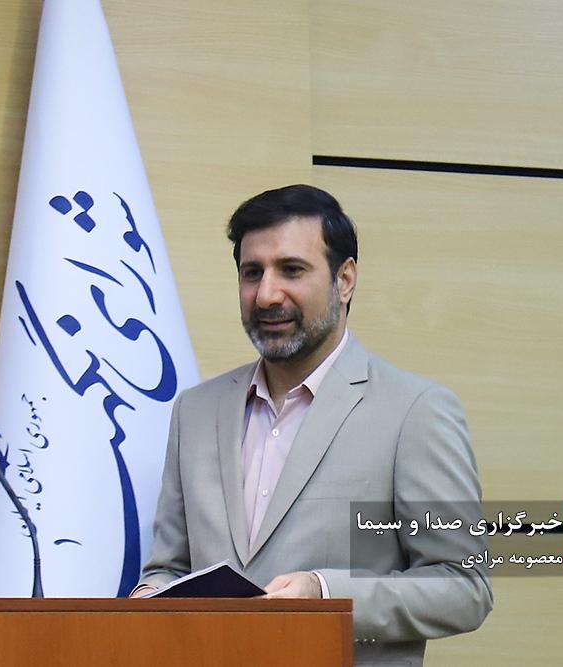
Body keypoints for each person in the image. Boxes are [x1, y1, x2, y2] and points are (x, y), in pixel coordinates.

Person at [132, 185, 492, 665]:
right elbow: (169, 568)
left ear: (345, 281)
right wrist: (147, 599)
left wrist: (325, 593)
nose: (266, 294)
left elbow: (464, 586)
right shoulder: (194, 411)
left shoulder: (415, 411)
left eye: (292, 270)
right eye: (252, 273)